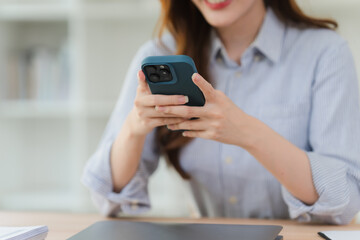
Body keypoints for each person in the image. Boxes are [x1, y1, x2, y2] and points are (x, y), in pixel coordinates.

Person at [82, 0, 360, 224]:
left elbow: (344, 197)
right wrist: (134, 127)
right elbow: (106, 197)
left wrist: (248, 134)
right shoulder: (161, 53)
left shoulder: (325, 53)